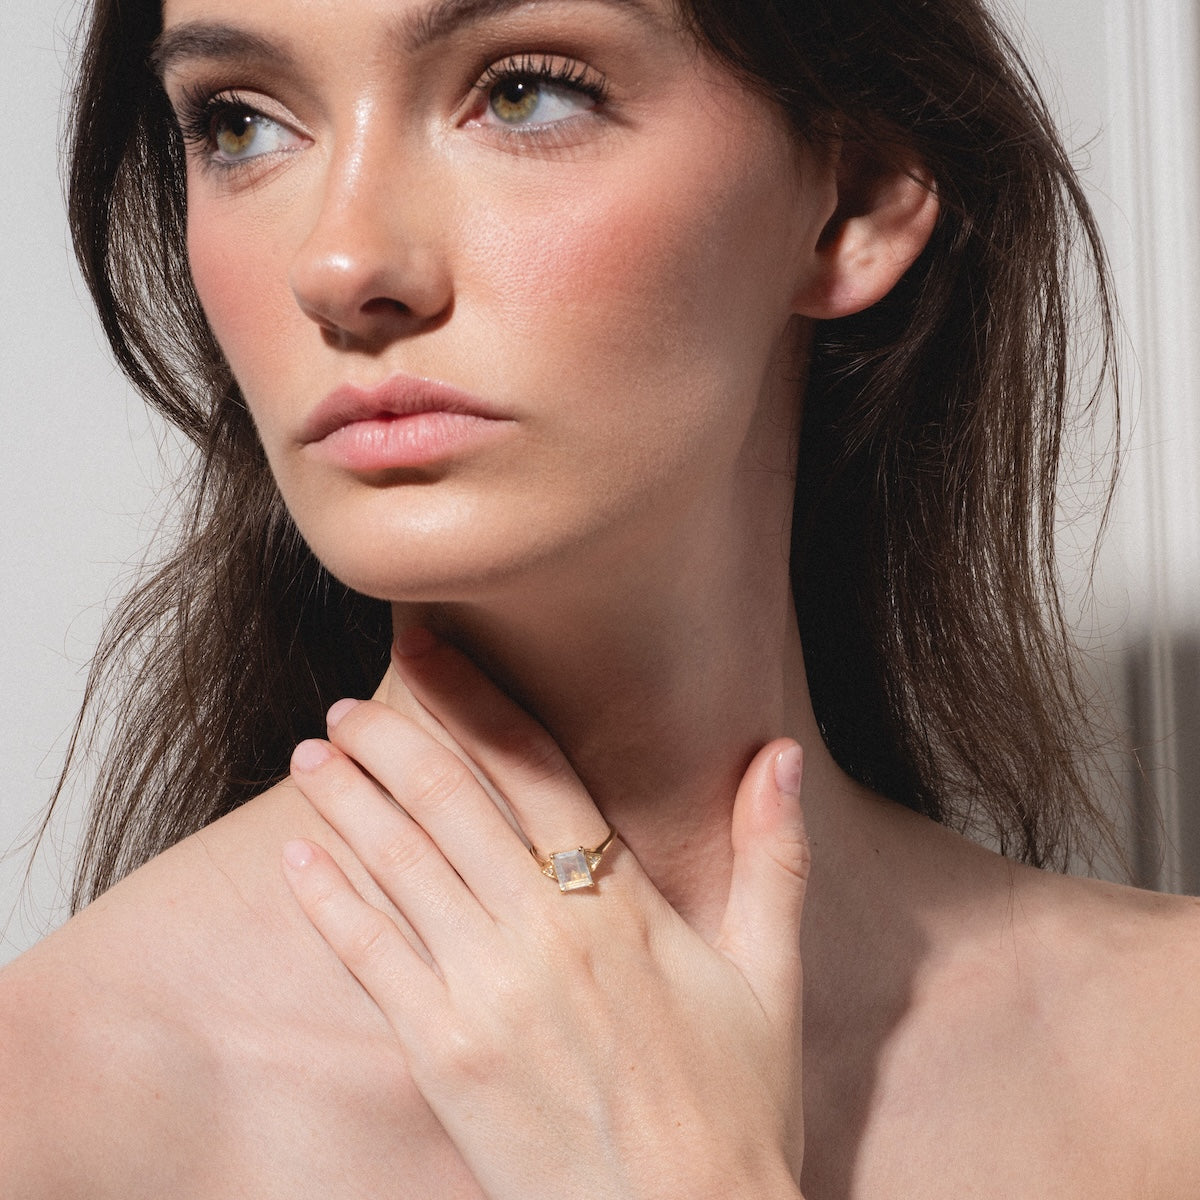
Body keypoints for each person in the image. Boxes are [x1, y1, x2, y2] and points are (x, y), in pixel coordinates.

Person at [2, 0, 1199, 1194]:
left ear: (854, 201)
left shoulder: (1166, 1054)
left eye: (522, 90)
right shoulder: (50, 1110)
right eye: (242, 124)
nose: (342, 263)